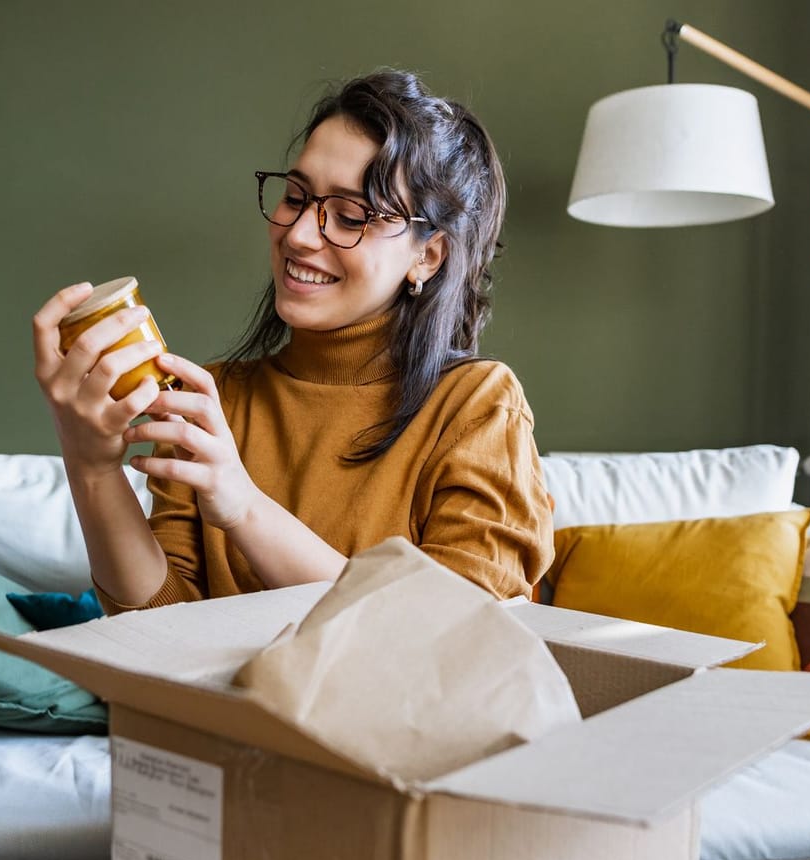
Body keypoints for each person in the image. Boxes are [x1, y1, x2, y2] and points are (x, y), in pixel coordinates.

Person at [30, 69, 551, 613]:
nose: (299, 235)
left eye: (352, 216)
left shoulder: (476, 405)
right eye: (295, 196)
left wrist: (245, 509)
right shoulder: (215, 403)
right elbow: (162, 627)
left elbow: (458, 625)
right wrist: (90, 464)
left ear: (427, 256)